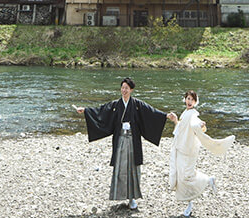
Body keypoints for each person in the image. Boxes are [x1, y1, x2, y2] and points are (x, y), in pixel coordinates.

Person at [74, 77, 175, 210]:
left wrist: (165, 116)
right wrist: (86, 111)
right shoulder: (116, 105)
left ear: (131, 89)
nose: (124, 90)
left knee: (133, 168)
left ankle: (132, 198)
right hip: (120, 139)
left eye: (126, 88)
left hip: (133, 140)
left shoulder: (138, 105)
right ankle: (120, 194)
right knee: (120, 167)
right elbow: (101, 111)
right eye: (122, 88)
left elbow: (151, 112)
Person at [168, 89, 235, 217]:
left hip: (189, 150)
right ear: (185, 100)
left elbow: (195, 123)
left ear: (195, 102)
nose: (189, 101)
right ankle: (190, 203)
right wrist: (176, 120)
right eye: (188, 99)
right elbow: (181, 128)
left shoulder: (193, 114)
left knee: (188, 176)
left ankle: (207, 181)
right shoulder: (185, 112)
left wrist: (201, 125)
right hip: (181, 148)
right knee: (182, 177)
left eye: (192, 100)